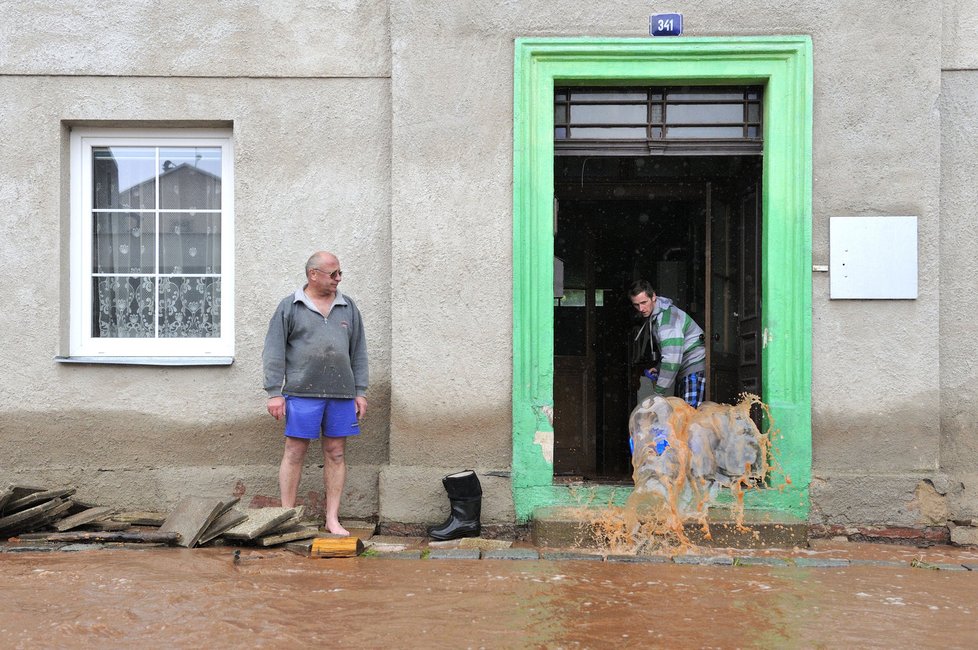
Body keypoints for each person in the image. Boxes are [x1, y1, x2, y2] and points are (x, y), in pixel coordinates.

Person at [263, 251, 368, 536]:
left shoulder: (348, 308)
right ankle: (287, 516)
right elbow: (274, 351)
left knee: (335, 453)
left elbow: (358, 352)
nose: (338, 279)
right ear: (313, 274)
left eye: (340, 273)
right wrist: (274, 392)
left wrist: (360, 391)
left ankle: (332, 519)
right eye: (333, 274)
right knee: (294, 452)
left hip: (341, 395)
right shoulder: (290, 307)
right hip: (301, 393)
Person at [628, 279, 706, 408]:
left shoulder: (667, 320)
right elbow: (671, 351)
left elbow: (671, 359)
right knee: (684, 417)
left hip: (694, 369)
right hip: (686, 370)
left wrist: (658, 393)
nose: (641, 309)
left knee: (690, 419)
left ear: (653, 296)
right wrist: (659, 368)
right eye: (636, 304)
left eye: (643, 302)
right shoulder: (658, 315)